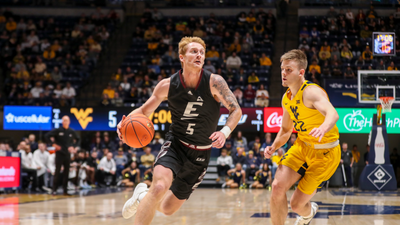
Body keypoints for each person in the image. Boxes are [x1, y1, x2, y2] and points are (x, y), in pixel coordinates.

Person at [118, 36, 242, 223]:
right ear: (182, 57)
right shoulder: (167, 85)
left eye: (202, 52)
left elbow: (236, 110)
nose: (199, 55)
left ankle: (141, 196)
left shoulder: (214, 82)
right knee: (159, 187)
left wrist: (224, 132)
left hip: (200, 155)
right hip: (176, 145)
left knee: (167, 208)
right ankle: (148, 193)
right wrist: (126, 121)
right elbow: (144, 111)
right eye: (194, 51)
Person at [264, 49, 340, 225]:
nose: (284, 73)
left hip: (325, 153)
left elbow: (333, 114)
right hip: (302, 146)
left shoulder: (311, 92)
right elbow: (285, 130)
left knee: (297, 205)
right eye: (282, 69)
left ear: (301, 72)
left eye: (288, 70)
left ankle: (307, 214)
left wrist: (322, 128)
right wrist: (274, 146)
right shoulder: (286, 98)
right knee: (276, 187)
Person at [45, 116, 80, 196]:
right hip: (59, 153)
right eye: (64, 120)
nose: (65, 122)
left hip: (67, 154)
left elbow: (78, 139)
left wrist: (73, 146)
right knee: (57, 172)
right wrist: (53, 144)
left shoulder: (71, 131)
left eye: (67, 120)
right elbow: (46, 136)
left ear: (69, 121)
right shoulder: (58, 130)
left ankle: (65, 190)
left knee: (66, 173)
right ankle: (54, 190)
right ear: (62, 122)